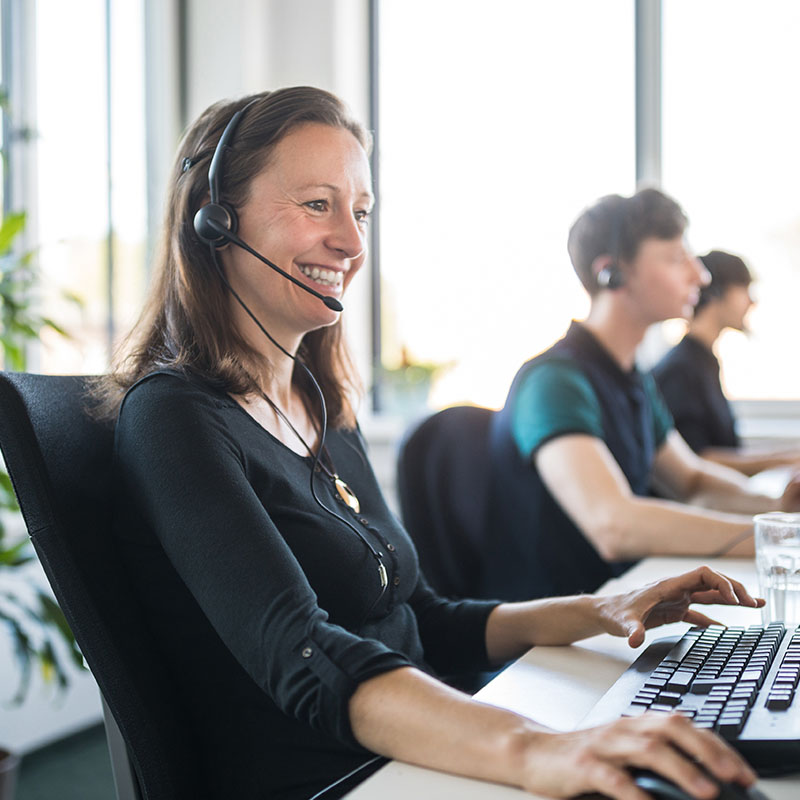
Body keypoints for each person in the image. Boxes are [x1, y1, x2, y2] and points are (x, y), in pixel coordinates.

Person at [97, 89, 761, 800]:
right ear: (216, 221)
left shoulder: (321, 407)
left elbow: (424, 618)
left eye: (361, 212)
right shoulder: (174, 418)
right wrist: (538, 749)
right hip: (342, 776)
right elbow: (304, 654)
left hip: (419, 747)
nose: (352, 243)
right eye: (318, 204)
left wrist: (606, 610)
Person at [485, 190, 800, 603]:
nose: (700, 276)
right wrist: (775, 536)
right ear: (610, 273)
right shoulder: (554, 381)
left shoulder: (631, 379)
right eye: (675, 259)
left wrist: (776, 504)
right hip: (551, 641)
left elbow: (691, 480)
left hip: (622, 607)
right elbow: (614, 524)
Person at [653, 250, 800, 476]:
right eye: (744, 288)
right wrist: (788, 460)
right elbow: (697, 459)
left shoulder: (704, 362)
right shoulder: (680, 370)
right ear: (716, 293)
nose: (751, 301)